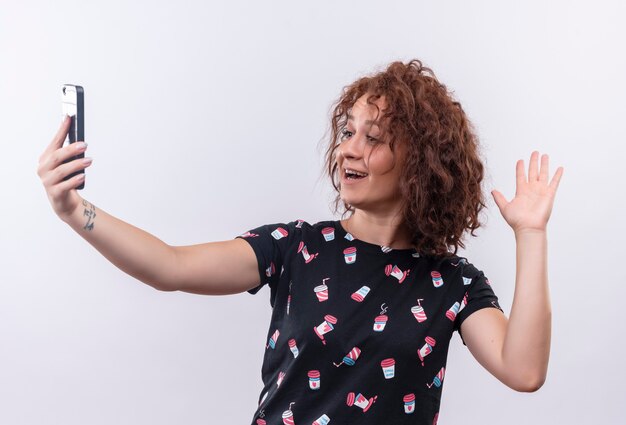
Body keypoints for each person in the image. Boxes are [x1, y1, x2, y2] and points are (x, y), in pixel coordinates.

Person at [37, 59, 564, 425]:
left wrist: (531, 235)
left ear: (421, 163)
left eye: (373, 138)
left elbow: (523, 370)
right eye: (347, 131)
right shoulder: (297, 247)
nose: (348, 151)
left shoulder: (452, 284)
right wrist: (73, 210)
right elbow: (170, 266)